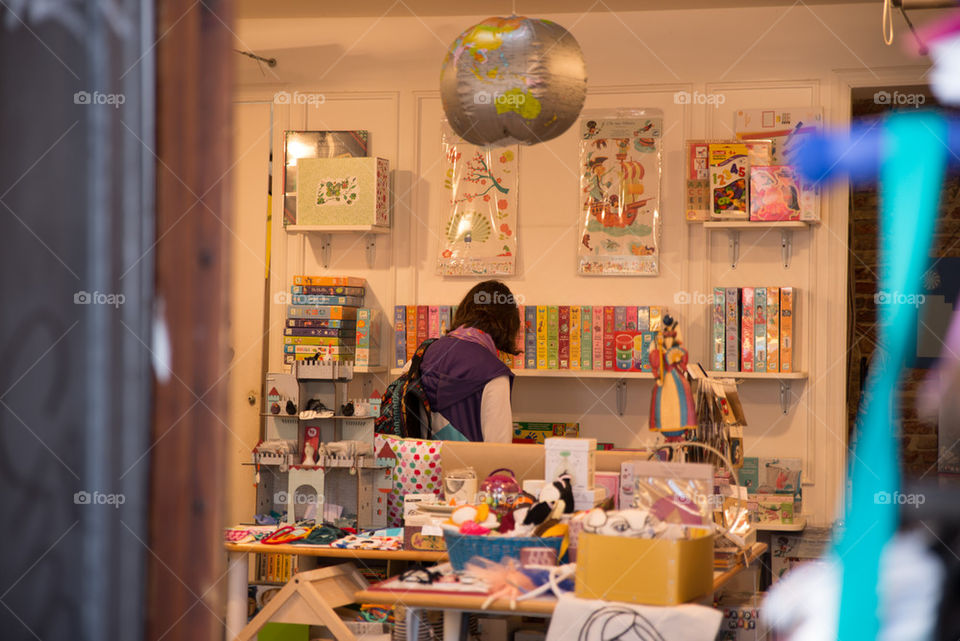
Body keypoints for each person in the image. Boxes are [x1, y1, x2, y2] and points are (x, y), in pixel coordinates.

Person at [418, 280, 520, 443]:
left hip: (417, 465)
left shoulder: (423, 353)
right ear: (508, 323)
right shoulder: (494, 373)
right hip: (471, 467)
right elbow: (500, 447)